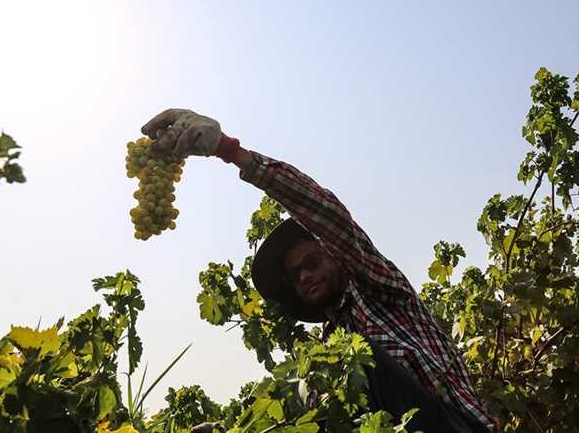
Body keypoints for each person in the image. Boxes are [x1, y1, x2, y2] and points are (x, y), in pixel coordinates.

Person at [142, 109, 497, 432]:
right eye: (295, 275)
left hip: (458, 428)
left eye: (311, 262)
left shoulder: (379, 290)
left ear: (336, 256)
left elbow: (324, 212)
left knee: (358, 361)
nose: (304, 276)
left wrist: (228, 149)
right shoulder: (325, 354)